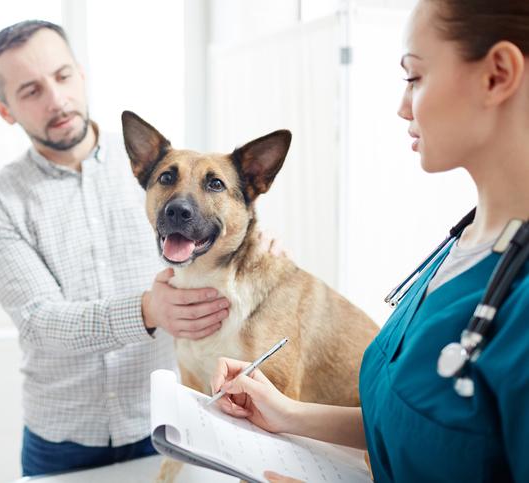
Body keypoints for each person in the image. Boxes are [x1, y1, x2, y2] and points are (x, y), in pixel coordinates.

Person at [209, 1, 529, 481]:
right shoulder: (462, 245)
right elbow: (425, 428)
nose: (403, 106)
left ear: (497, 74)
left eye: (414, 77)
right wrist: (287, 413)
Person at [0, 20, 231, 476]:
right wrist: (150, 310)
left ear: (81, 74)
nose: (56, 99)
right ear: (5, 110)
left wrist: (248, 243)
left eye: (63, 76)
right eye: (31, 91)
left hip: (166, 422)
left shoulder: (164, 172)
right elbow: (39, 321)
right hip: (61, 440)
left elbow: (217, 236)